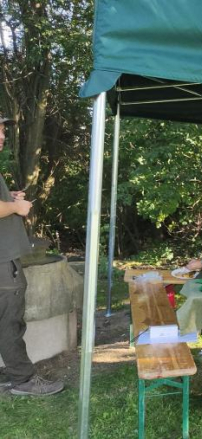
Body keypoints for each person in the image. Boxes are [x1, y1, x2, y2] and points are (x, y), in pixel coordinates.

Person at [0, 115, 65, 396]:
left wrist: (8, 199)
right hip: (3, 260)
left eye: (2, 130)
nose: (1, 135)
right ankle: (23, 380)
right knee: (9, 321)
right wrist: (16, 208)